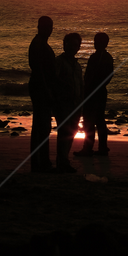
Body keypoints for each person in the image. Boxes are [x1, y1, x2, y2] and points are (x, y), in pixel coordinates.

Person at [75, 32, 114, 157]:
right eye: (96, 41)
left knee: (89, 121)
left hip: (93, 92)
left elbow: (90, 76)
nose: (96, 43)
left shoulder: (97, 57)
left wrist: (87, 89)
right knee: (99, 120)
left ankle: (88, 148)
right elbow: (109, 76)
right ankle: (101, 147)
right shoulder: (107, 57)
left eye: (98, 41)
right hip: (100, 91)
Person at [28, 16, 56, 173]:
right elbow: (39, 70)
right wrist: (47, 90)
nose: (50, 30)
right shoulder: (39, 44)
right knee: (41, 126)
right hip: (40, 88)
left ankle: (41, 161)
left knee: (42, 126)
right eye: (47, 26)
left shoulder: (41, 43)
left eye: (51, 26)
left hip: (41, 87)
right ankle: (40, 162)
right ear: (40, 27)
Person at [53, 33, 83, 173]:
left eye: (76, 45)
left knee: (72, 131)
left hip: (76, 103)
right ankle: (62, 161)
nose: (73, 47)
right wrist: (64, 86)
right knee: (64, 131)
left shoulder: (77, 65)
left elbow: (81, 84)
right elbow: (53, 79)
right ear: (64, 45)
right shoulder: (59, 61)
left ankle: (64, 160)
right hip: (63, 102)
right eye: (70, 44)